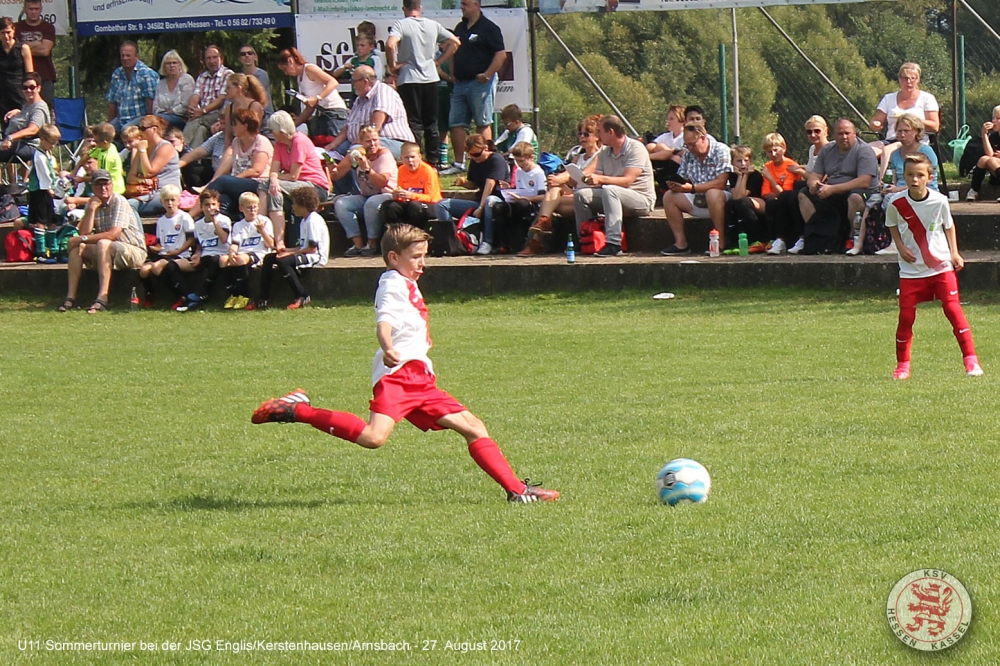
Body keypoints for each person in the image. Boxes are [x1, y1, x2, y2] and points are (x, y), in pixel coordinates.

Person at [251, 223, 560, 504]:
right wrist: (387, 347)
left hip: (420, 379)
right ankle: (295, 409)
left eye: (424, 256)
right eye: (416, 257)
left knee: (475, 428)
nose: (422, 263)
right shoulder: (392, 284)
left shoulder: (404, 281)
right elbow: (383, 320)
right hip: (399, 376)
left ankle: (518, 491)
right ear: (394, 257)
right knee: (374, 438)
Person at [886, 153, 982, 380]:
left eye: (920, 175)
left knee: (953, 310)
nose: (915, 180)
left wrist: (954, 253)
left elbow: (948, 226)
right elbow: (892, 226)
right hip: (911, 271)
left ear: (929, 177)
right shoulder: (895, 203)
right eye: (910, 175)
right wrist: (899, 247)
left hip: (940, 267)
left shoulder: (939, 200)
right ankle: (903, 366)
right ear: (904, 176)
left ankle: (971, 361)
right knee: (906, 317)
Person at [58, 169, 146, 314]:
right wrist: (91, 209)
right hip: (109, 249)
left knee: (102, 243)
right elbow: (84, 232)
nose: (103, 188)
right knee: (77, 248)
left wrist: (82, 238)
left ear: (112, 185)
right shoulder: (92, 203)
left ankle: (102, 298)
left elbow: (113, 234)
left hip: (133, 250)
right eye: (99, 185)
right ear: (92, 187)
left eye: (106, 184)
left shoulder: (119, 201)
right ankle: (70, 297)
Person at [386, 0, 459, 161]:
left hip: (409, 77)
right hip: (430, 77)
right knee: (431, 123)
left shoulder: (401, 24)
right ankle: (433, 161)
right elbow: (455, 42)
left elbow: (390, 45)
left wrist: (393, 66)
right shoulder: (433, 24)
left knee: (414, 122)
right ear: (420, 8)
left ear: (404, 8)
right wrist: (438, 62)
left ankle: (414, 157)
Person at [573, 115, 655, 257]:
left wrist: (600, 179)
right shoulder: (604, 152)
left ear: (611, 132)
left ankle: (613, 243)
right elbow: (599, 179)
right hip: (611, 196)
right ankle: (586, 240)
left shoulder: (636, 148)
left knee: (610, 190)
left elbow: (627, 181)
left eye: (600, 131)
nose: (598, 135)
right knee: (581, 195)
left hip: (640, 199)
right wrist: (585, 180)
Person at [440, 0, 506, 176]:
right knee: (455, 123)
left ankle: (487, 160)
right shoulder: (460, 27)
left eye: (466, 4)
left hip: (480, 83)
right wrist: (453, 73)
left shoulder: (489, 28)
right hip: (460, 83)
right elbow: (453, 51)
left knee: (482, 122)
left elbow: (500, 55)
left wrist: (487, 74)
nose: (462, 7)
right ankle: (459, 162)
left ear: (477, 5)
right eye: (461, 4)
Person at [525, 114, 603, 253]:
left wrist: (560, 179)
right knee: (554, 190)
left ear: (597, 136)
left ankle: (535, 241)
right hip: (576, 195)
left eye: (587, 134)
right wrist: (556, 180)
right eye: (580, 134)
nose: (582, 137)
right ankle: (542, 224)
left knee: (549, 203)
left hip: (590, 199)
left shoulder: (600, 155)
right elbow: (571, 177)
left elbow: (584, 173)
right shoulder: (579, 157)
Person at [798, 118, 877, 255]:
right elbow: (815, 174)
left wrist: (832, 189)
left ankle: (853, 238)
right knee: (803, 194)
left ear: (855, 134)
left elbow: (864, 181)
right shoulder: (827, 149)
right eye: (840, 134)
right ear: (834, 135)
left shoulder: (864, 150)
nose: (844, 137)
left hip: (861, 191)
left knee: (855, 197)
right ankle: (817, 237)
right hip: (831, 190)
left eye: (847, 133)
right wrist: (813, 184)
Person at [260, 110, 331, 249]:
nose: (271, 133)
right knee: (271, 188)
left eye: (272, 130)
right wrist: (274, 178)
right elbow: (273, 170)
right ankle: (268, 231)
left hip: (315, 186)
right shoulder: (280, 145)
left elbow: (293, 175)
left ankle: (264, 227)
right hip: (293, 184)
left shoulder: (299, 141)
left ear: (280, 130)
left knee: (269, 184)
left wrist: (274, 178)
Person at [252, 187, 329, 311]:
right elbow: (303, 246)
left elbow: (312, 248)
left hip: (316, 257)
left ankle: (302, 295)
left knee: (283, 261)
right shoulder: (304, 220)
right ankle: (264, 297)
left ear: (303, 205)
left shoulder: (313, 220)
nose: (292, 207)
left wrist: (291, 254)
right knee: (270, 258)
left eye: (294, 203)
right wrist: (286, 250)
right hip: (308, 252)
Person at [660, 122, 730, 256]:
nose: (690, 148)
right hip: (697, 197)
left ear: (703, 138)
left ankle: (720, 242)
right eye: (687, 145)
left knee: (713, 193)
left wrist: (692, 188)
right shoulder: (687, 155)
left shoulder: (721, 150)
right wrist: (676, 185)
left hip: (722, 198)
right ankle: (681, 244)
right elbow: (682, 178)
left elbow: (721, 183)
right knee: (669, 196)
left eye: (693, 144)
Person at [434, 133, 508, 255]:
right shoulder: (475, 161)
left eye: (476, 154)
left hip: (497, 202)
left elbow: (489, 185)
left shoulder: (496, 159)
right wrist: (463, 183)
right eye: (471, 155)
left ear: (486, 148)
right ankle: (453, 239)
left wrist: (480, 207)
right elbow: (475, 184)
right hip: (480, 202)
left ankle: (487, 242)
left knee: (489, 200)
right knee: (441, 205)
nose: (474, 158)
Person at [331, 125, 398, 256]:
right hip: (366, 195)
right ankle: (358, 245)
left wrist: (367, 169)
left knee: (371, 203)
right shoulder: (356, 154)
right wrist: (332, 168)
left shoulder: (384, 155)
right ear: (360, 142)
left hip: (387, 194)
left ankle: (372, 244)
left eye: (375, 140)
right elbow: (337, 174)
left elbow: (382, 182)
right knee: (341, 203)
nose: (373, 144)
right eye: (368, 141)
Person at [323, 66, 414, 162]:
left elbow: (379, 118)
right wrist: (334, 144)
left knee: (357, 151)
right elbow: (349, 125)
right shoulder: (359, 99)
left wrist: (362, 139)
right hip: (363, 141)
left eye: (354, 81)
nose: (353, 85)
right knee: (337, 152)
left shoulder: (383, 90)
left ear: (365, 81)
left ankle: (360, 177)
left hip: (393, 141)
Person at [767, 116, 828, 255]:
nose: (813, 135)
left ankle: (802, 238)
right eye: (809, 132)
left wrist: (800, 171)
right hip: (810, 186)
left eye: (817, 131)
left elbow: (822, 178)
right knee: (783, 197)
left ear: (825, 131)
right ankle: (781, 239)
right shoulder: (813, 149)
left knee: (793, 196)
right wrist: (802, 169)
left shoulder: (829, 149)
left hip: (822, 188)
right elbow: (813, 170)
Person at [868, 62, 940, 182]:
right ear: (899, 79)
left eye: (913, 78)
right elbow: (876, 121)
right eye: (905, 78)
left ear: (918, 80)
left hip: (914, 140)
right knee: (865, 151)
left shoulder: (927, 98)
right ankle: (861, 181)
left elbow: (935, 126)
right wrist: (875, 124)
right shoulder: (888, 98)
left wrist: (913, 121)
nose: (909, 82)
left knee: (887, 151)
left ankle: (881, 184)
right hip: (891, 138)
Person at [202, 107, 273, 217]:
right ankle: (219, 228)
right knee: (223, 199)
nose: (232, 127)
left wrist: (235, 179)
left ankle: (192, 214)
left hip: (257, 184)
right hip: (237, 184)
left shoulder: (261, 142)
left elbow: (256, 171)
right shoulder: (236, 142)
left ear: (245, 126)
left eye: (235, 124)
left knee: (222, 181)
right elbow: (228, 160)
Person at [138, 184, 195, 309]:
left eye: (173, 200)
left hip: (181, 255)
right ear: (161, 202)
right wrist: (156, 248)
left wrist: (178, 251)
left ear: (178, 201)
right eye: (166, 200)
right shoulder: (161, 221)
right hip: (165, 255)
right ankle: (149, 294)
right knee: (144, 270)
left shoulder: (184, 217)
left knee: (157, 267)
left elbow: (191, 239)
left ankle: (180, 295)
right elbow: (160, 243)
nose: (170, 203)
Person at [176, 189, 232, 312]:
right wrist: (196, 254)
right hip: (205, 256)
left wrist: (214, 221)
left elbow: (224, 239)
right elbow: (200, 244)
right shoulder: (198, 224)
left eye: (213, 204)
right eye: (207, 205)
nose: (210, 208)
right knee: (172, 266)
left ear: (218, 206)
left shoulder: (223, 220)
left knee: (212, 260)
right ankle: (185, 295)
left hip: (220, 254)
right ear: (201, 207)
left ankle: (202, 294)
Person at [276, 47, 349, 139]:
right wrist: (292, 126)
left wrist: (318, 98)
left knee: (334, 145)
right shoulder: (300, 79)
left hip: (335, 113)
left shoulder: (309, 69)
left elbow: (333, 82)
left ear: (290, 61)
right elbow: (310, 108)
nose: (286, 73)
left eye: (285, 69)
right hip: (322, 115)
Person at [223, 191, 274, 310]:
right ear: (241, 208)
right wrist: (232, 252)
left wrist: (262, 231)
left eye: (254, 207)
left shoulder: (264, 221)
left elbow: (270, 244)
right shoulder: (238, 225)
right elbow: (235, 243)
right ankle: (234, 294)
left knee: (240, 259)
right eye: (249, 208)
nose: (252, 211)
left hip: (258, 253)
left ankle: (244, 295)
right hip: (242, 253)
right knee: (223, 260)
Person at [491, 141, 545, 254]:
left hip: (531, 204)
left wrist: (525, 199)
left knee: (522, 205)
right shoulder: (519, 171)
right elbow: (520, 188)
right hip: (518, 200)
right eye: (517, 161)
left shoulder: (538, 173)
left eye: (521, 161)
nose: (519, 164)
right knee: (498, 208)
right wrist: (509, 188)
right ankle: (502, 243)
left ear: (531, 157)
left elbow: (543, 196)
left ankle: (520, 241)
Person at [127, 115, 181, 216]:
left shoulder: (166, 147)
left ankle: (137, 232)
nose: (139, 132)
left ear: (154, 129)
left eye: (142, 128)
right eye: (138, 128)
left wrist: (142, 151)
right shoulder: (141, 146)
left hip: (166, 193)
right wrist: (141, 181)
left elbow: (149, 172)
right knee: (122, 205)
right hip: (147, 193)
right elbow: (130, 177)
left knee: (129, 206)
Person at [383, 141, 442, 229]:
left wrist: (411, 195)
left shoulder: (427, 170)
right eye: (406, 158)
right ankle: (398, 232)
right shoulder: (401, 170)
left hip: (431, 206)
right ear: (401, 159)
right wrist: (397, 195)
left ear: (419, 157)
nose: (410, 161)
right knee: (388, 206)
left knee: (415, 206)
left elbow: (432, 198)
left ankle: (414, 234)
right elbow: (401, 195)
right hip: (410, 203)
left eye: (413, 157)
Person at [183, 45, 232, 148]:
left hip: (219, 115)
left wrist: (203, 111)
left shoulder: (228, 75)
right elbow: (196, 94)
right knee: (201, 129)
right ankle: (193, 160)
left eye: (215, 57)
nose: (211, 61)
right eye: (208, 58)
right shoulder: (202, 76)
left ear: (221, 59)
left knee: (196, 120)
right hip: (202, 115)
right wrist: (192, 109)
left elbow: (222, 98)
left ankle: (181, 145)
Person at [0, 72, 49, 173]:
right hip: (17, 144)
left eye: (32, 87)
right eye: (25, 87)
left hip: (30, 147)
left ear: (39, 88)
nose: (28, 90)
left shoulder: (39, 107)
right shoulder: (28, 105)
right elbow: (28, 117)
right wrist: (19, 112)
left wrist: (10, 138)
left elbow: (33, 129)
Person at [106, 41, 158, 135]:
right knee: (103, 133)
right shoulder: (117, 74)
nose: (125, 58)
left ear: (137, 56)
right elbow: (112, 103)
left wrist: (148, 125)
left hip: (139, 119)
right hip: (121, 119)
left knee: (126, 131)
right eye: (123, 55)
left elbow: (151, 102)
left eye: (128, 55)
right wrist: (108, 125)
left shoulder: (146, 74)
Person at [723, 145, 766, 252]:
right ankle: (732, 242)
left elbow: (741, 196)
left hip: (757, 204)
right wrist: (740, 176)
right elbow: (735, 196)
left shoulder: (755, 175)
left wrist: (745, 176)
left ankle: (756, 240)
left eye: (746, 160)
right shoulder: (733, 175)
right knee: (730, 204)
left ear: (750, 161)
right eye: (739, 161)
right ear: (732, 162)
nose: (743, 164)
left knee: (742, 203)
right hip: (741, 202)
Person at [26, 123, 59, 262]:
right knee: (41, 221)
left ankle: (54, 250)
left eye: (55, 143)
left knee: (52, 220)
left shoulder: (47, 152)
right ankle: (41, 253)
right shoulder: (39, 156)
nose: (53, 145)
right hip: (40, 191)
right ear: (43, 139)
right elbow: (43, 174)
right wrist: (51, 189)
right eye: (51, 143)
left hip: (48, 190)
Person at [15, 0, 55, 110]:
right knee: (22, 111)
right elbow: (15, 50)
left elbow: (44, 50)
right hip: (22, 77)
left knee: (45, 110)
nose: (33, 12)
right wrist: (37, 43)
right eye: (30, 9)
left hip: (45, 76)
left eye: (36, 9)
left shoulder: (48, 28)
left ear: (40, 9)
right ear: (25, 10)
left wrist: (24, 47)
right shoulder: (16, 28)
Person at [74, 122, 125, 195]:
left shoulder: (108, 158)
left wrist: (82, 179)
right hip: (104, 187)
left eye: (96, 141)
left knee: (74, 201)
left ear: (104, 142)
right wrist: (74, 172)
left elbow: (102, 178)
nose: (94, 143)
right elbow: (87, 156)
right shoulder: (104, 147)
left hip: (113, 191)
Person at [646, 104, 686, 195]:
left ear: (682, 120)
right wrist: (665, 151)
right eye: (668, 119)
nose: (668, 122)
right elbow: (650, 147)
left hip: (680, 168)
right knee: (659, 147)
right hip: (664, 165)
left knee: (668, 153)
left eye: (671, 119)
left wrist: (668, 152)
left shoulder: (685, 136)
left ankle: (645, 158)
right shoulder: (666, 136)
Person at [0, 17, 32, 123]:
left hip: (19, 94)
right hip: (2, 96)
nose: (6, 36)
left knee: (21, 125)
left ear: (14, 30)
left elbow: (30, 75)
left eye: (8, 32)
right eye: (2, 33)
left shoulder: (23, 48)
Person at [152, 50, 195, 130]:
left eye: (174, 62)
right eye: (168, 63)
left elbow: (185, 106)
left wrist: (169, 112)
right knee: (142, 122)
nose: (172, 65)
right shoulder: (161, 83)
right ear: (164, 67)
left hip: (181, 119)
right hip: (161, 117)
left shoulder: (187, 80)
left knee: (155, 121)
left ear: (180, 65)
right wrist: (163, 113)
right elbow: (155, 107)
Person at [966, 105, 1000, 202]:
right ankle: (974, 190)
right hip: (997, 172)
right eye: (993, 117)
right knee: (984, 159)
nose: (993, 121)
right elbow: (990, 155)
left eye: (998, 118)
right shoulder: (994, 137)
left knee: (992, 160)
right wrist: (984, 134)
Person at [221, 73, 266, 147]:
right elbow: (228, 136)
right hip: (236, 147)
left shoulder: (254, 106)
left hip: (256, 146)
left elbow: (253, 133)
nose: (225, 90)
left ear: (239, 89)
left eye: (228, 87)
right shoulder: (229, 108)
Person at [237, 44, 273, 116]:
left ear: (255, 57)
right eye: (243, 54)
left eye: (250, 53)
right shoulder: (239, 77)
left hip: (265, 114)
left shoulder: (262, 74)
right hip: (247, 113)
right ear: (239, 59)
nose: (247, 56)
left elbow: (256, 96)